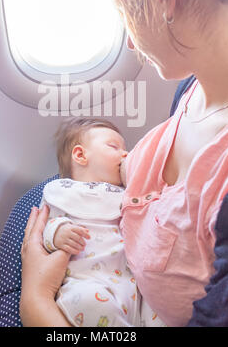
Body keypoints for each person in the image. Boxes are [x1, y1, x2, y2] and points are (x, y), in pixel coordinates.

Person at [20, 0, 228, 327]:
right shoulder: (193, 87)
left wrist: (38, 305)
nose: (128, 33)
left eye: (122, 8)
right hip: (121, 266)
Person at [39, 117, 142, 327]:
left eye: (126, 149)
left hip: (136, 287)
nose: (126, 154)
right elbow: (44, 228)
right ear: (80, 155)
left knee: (163, 309)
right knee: (89, 302)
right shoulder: (62, 192)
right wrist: (58, 234)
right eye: (114, 146)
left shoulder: (126, 193)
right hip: (87, 282)